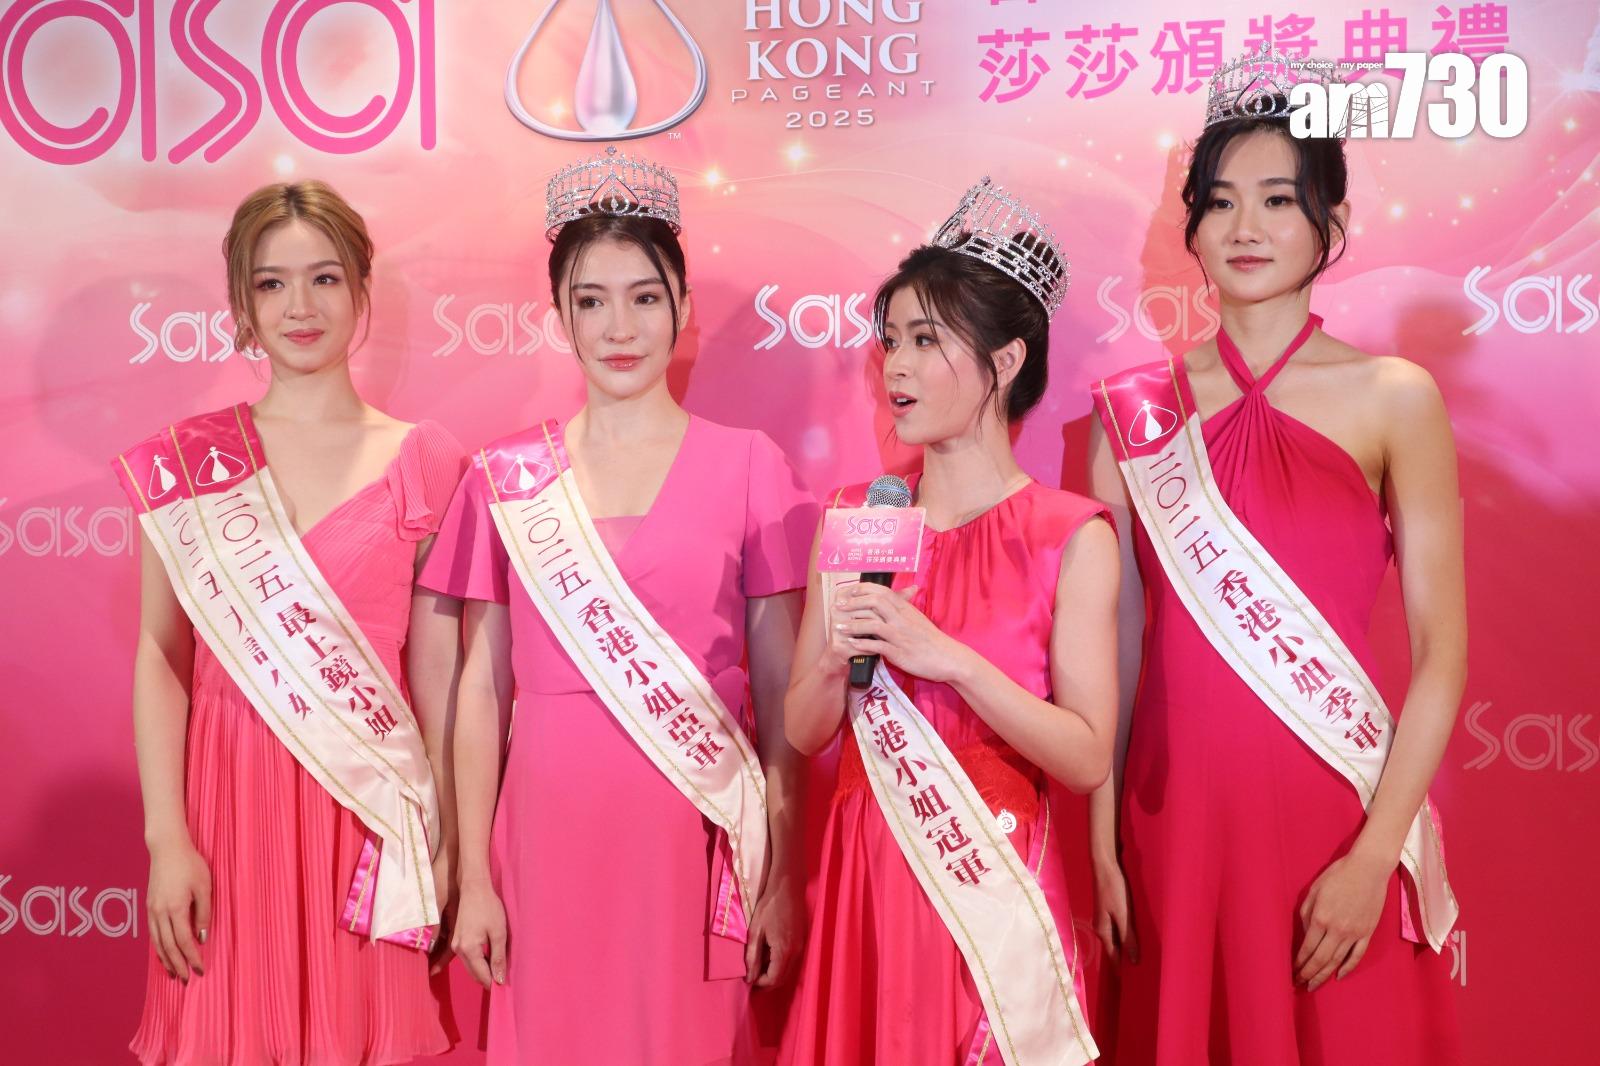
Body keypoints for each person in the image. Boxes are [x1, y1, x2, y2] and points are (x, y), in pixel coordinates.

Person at [1087, 46, 1466, 1065]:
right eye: (1219, 203)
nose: (1244, 228)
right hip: (1174, 825)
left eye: (1277, 201)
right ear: (1192, 229)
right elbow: (1116, 651)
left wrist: (1374, 854)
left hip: (1337, 817)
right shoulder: (1132, 415)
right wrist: (1102, 839)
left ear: (1328, 223)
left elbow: (1442, 656)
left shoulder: (1393, 396)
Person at [425, 147, 818, 1065]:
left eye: (644, 297)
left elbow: (782, 696)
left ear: (681, 304)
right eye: (591, 301)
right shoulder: (506, 477)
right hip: (545, 835)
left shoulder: (750, 465)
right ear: (560, 316)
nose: (619, 328)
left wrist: (783, 872)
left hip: (692, 831)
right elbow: (481, 689)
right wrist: (476, 876)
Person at [116, 180, 464, 1065]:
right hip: (226, 809)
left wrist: (448, 832)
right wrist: (167, 838)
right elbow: (163, 656)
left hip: (369, 810)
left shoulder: (424, 459)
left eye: (325, 279)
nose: (299, 307)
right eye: (271, 283)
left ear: (362, 290)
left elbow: (438, 674)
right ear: (241, 301)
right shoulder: (188, 465)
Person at [782, 178, 1118, 1066]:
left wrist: (952, 661)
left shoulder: (1069, 534)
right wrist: (835, 658)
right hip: (868, 872)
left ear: (1004, 362)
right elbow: (805, 729)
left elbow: (1087, 756)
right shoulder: (859, 516)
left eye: (926, 341)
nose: (895, 366)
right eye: (891, 340)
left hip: (991, 881)